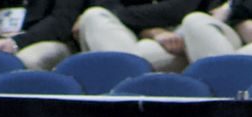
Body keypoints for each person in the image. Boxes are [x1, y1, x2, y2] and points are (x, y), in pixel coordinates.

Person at [73, 0, 214, 73]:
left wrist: (121, 15)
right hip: (130, 38)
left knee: (196, 24)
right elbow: (107, 6)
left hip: (180, 37)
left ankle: (128, 93)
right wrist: (150, 31)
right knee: (94, 15)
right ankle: (128, 94)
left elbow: (177, 10)